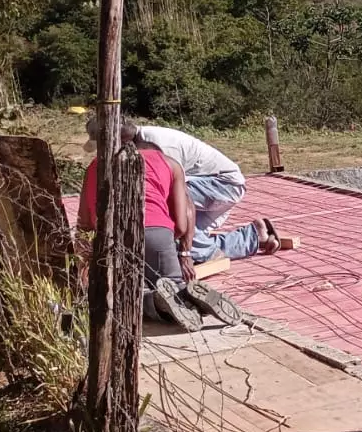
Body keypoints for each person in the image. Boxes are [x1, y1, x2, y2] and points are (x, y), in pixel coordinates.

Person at [76, 127, 240, 332]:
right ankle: (187, 293)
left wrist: (83, 267)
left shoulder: (94, 167)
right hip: (158, 232)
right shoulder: (169, 163)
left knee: (124, 297)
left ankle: (153, 301)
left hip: (113, 239)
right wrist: (179, 249)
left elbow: (83, 224)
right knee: (172, 285)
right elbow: (182, 223)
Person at [83, 118, 282, 263]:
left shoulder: (157, 146)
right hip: (204, 186)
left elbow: (177, 198)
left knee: (190, 250)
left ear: (119, 140)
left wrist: (182, 252)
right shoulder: (137, 144)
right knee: (185, 246)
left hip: (223, 185)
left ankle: (250, 237)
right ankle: (256, 234)